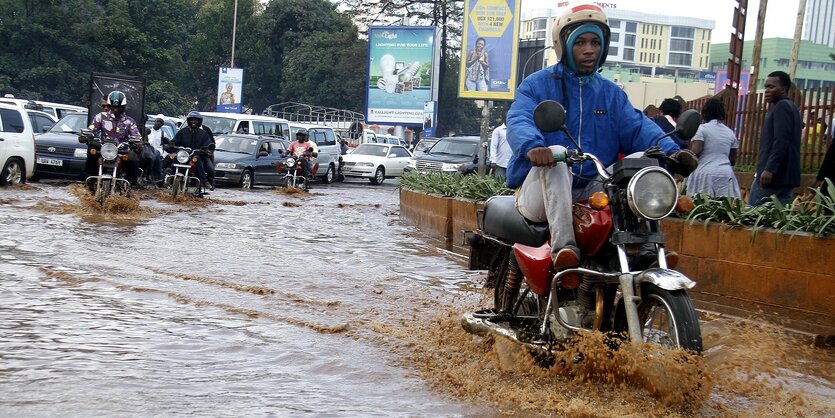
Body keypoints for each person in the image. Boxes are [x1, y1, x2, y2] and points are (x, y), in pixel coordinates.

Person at [506, 3, 696, 273]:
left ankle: (646, 250)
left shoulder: (611, 94)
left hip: (593, 189)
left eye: (595, 42)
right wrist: (534, 147)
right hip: (540, 191)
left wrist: (671, 152)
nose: (589, 50)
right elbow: (519, 118)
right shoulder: (537, 84)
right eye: (580, 42)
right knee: (557, 152)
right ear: (563, 44)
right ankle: (565, 251)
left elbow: (639, 128)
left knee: (644, 161)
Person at [748, 71, 802, 206]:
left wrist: (769, 169)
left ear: (783, 89)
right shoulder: (791, 107)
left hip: (774, 177)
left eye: (771, 87)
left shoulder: (782, 106)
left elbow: (781, 140)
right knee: (776, 221)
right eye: (766, 87)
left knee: (752, 216)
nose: (767, 90)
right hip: (785, 177)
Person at [683, 98, 741, 200]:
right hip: (726, 176)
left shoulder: (701, 129)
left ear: (705, 113)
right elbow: (732, 160)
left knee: (701, 211)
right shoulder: (730, 133)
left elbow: (696, 152)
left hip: (705, 176)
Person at [82, 91, 142, 186]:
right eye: (113, 107)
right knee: (91, 153)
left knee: (133, 159)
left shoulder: (129, 121)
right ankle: (88, 180)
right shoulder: (100, 117)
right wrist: (86, 136)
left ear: (123, 107)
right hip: (103, 147)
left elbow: (136, 136)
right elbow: (92, 128)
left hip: (122, 149)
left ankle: (131, 184)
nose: (115, 109)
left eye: (118, 107)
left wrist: (138, 143)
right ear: (110, 106)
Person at [169, 111, 213, 190]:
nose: (193, 122)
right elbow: (175, 141)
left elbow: (208, 145)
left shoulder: (204, 134)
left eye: (195, 120)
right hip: (183, 154)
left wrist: (207, 150)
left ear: (199, 122)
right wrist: (171, 144)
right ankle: (167, 178)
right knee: (173, 157)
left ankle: (204, 181)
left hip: (197, 154)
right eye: (192, 120)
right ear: (189, 121)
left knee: (197, 159)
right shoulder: (182, 131)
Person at [488, 115, 510, 179]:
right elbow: (493, 146)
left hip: (512, 163)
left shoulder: (515, 130)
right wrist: (493, 161)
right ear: (504, 119)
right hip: (500, 163)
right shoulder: (498, 130)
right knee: (499, 183)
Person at [146, 116, 167, 182]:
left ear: (162, 124)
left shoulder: (163, 134)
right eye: (157, 121)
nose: (158, 123)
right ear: (154, 121)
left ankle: (157, 174)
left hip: (158, 149)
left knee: (155, 155)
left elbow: (167, 143)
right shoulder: (148, 131)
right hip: (147, 149)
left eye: (160, 122)